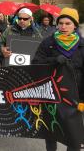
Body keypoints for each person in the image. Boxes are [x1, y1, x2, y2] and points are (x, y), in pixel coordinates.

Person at [32, 8, 84, 151]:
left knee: (73, 136)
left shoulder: (82, 45)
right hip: (52, 94)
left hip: (75, 97)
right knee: (51, 131)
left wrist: (82, 100)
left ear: (75, 25)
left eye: (68, 23)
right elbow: (35, 63)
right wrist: (54, 60)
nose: (63, 27)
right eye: (60, 23)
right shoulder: (48, 42)